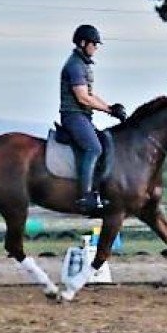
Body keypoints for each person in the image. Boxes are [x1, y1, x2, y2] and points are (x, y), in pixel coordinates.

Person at [60, 24, 127, 215]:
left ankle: (98, 190)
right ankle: (85, 196)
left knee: (104, 142)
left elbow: (91, 95)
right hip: (73, 115)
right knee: (93, 148)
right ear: (83, 43)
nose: (96, 48)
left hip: (83, 116)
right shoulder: (74, 65)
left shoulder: (82, 65)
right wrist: (108, 110)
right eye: (94, 44)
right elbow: (82, 98)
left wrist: (111, 108)